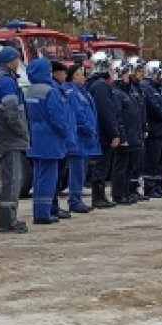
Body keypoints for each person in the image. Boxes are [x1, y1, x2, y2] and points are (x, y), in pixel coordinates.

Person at [24, 57, 71, 225]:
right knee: (48, 177)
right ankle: (43, 213)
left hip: (34, 138)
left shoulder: (29, 91)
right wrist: (65, 132)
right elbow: (57, 117)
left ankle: (39, 210)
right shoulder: (50, 91)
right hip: (50, 139)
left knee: (38, 177)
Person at [0, 46, 30, 233]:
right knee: (12, 181)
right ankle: (8, 221)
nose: (18, 62)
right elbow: (12, 114)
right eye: (16, 59)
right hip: (10, 138)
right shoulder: (6, 83)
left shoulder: (3, 80)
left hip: (7, 137)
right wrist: (23, 132)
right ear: (10, 61)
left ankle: (9, 219)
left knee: (12, 180)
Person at [87, 52, 123, 208]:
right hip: (103, 133)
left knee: (100, 165)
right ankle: (98, 197)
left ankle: (100, 196)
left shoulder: (92, 84)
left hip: (98, 131)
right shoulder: (101, 86)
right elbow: (106, 112)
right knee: (101, 166)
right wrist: (114, 133)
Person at [66, 64, 101, 213]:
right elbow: (78, 114)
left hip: (85, 138)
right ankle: (74, 200)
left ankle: (77, 199)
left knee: (82, 171)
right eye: (81, 74)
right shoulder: (72, 92)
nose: (84, 77)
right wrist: (88, 127)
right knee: (77, 171)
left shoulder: (82, 92)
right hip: (79, 138)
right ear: (74, 76)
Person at [139, 61, 162, 197]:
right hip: (155, 130)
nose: (161, 77)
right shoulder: (147, 88)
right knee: (152, 161)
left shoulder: (158, 89)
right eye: (159, 74)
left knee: (161, 161)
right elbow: (154, 108)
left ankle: (159, 186)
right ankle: (150, 187)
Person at [114, 61, 145, 204]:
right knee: (121, 167)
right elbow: (118, 116)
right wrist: (122, 136)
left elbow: (137, 113)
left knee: (129, 167)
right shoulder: (117, 93)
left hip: (133, 134)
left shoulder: (129, 91)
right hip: (125, 135)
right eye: (126, 73)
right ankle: (119, 194)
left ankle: (127, 192)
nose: (129, 75)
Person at [49, 60, 76, 219]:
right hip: (59, 138)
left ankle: (54, 206)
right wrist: (66, 133)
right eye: (64, 73)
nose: (66, 76)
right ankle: (52, 207)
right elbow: (58, 116)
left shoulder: (60, 89)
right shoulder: (54, 90)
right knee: (55, 176)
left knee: (59, 176)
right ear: (56, 73)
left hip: (63, 138)